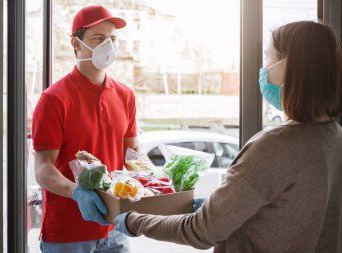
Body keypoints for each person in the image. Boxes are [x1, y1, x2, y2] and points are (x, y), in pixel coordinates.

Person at [115, 21, 342, 253]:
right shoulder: (334, 137)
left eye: (267, 59)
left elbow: (201, 232)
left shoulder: (274, 146)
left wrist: (133, 221)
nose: (263, 69)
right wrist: (217, 208)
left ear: (288, 67)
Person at [32, 5, 139, 253]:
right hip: (67, 234)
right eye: (99, 39)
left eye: (112, 39)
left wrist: (161, 184)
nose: (108, 46)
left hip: (117, 227)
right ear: (76, 43)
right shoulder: (54, 99)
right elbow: (42, 168)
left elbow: (133, 156)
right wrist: (77, 192)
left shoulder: (125, 95)